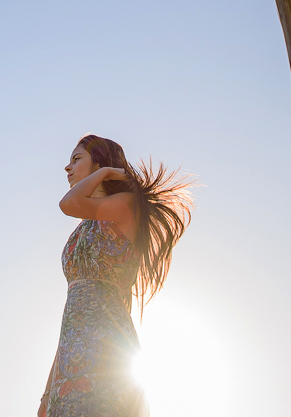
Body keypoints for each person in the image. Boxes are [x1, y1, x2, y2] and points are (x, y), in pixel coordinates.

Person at [38, 134, 193, 417]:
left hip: (108, 356)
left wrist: (107, 172)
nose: (67, 167)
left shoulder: (127, 205)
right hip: (68, 366)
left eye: (76, 159)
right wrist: (48, 391)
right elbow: (72, 317)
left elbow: (68, 204)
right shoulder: (85, 226)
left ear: (99, 162)